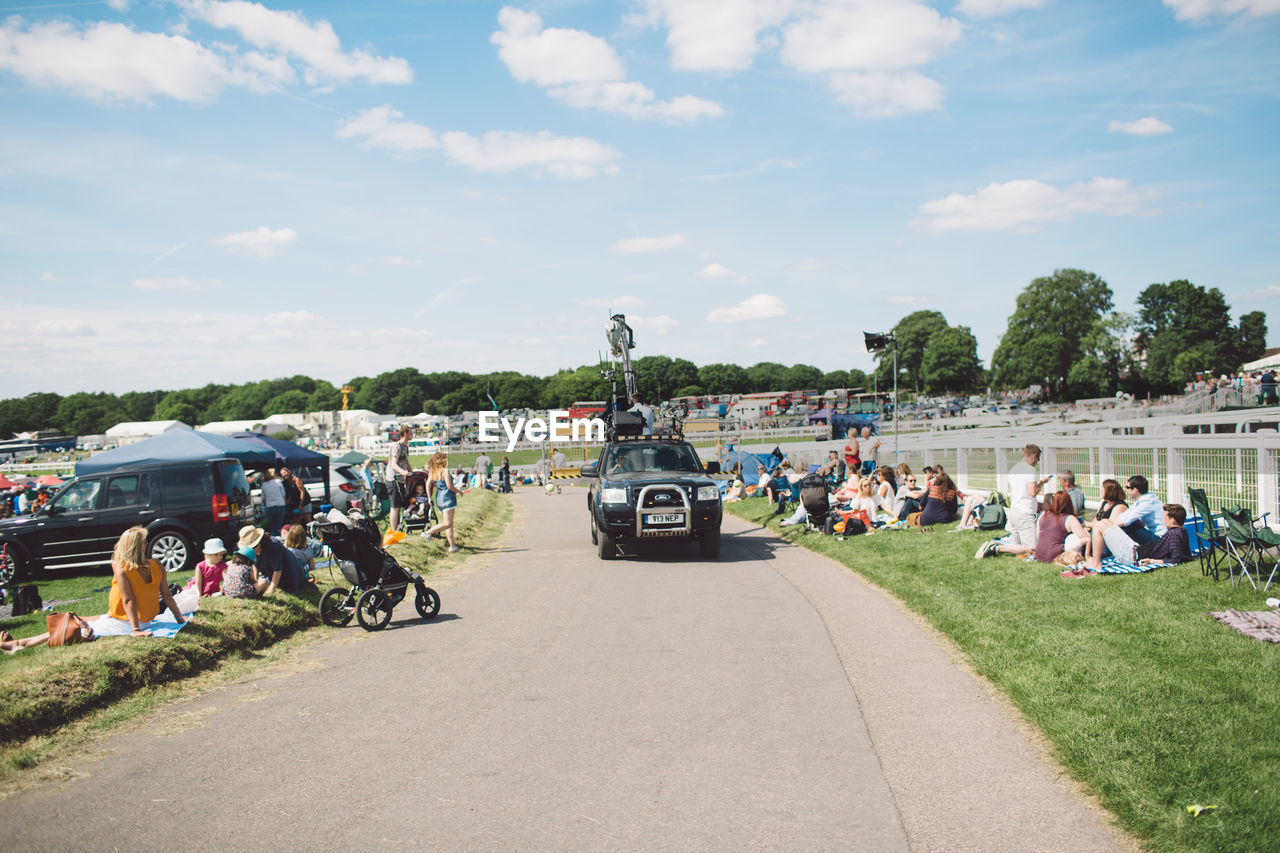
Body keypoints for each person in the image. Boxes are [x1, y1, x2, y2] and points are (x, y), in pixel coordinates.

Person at [93, 527, 186, 637]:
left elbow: (128, 601)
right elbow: (167, 596)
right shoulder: (157, 564)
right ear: (141, 546)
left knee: (88, 624)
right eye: (145, 542)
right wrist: (179, 618)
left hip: (124, 623)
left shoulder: (122, 568)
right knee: (97, 619)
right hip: (147, 621)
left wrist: (136, 630)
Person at [982, 444, 1049, 557]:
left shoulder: (1014, 469)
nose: (1037, 462)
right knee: (1031, 549)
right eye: (1038, 459)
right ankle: (997, 548)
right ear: (1034, 456)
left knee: (1017, 545)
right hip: (1025, 512)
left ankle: (999, 548)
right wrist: (1042, 482)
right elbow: (1032, 492)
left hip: (1014, 510)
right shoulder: (1030, 470)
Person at [1083, 504, 1190, 570]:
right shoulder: (1179, 532)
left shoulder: (1175, 535)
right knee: (1105, 522)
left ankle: (1096, 564)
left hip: (1130, 556)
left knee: (1098, 526)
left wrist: (1152, 561)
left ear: (1173, 520)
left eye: (1165, 517)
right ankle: (1095, 561)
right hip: (1135, 549)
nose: (1163, 520)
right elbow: (1182, 555)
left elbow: (1175, 559)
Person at [237, 525, 303, 594]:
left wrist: (271, 590)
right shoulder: (254, 551)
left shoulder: (273, 546)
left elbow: (277, 569)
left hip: (291, 575)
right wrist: (255, 581)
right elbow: (255, 564)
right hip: (271, 576)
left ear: (259, 543)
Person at [423, 451, 462, 553]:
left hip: (439, 497)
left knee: (448, 523)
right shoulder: (445, 471)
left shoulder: (433, 471)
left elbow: (427, 485)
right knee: (448, 523)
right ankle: (428, 533)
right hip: (448, 497)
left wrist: (429, 497)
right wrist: (458, 491)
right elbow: (449, 486)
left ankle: (452, 545)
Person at [1034, 491, 1089, 563]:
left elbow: (1039, 536)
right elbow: (1085, 538)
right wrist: (1085, 529)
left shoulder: (1044, 514)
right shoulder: (1069, 518)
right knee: (1074, 538)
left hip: (1039, 554)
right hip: (1056, 556)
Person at [386, 427, 413, 533]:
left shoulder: (406, 447)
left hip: (401, 480)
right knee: (395, 506)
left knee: (401, 505)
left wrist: (412, 471)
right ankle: (393, 531)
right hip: (393, 479)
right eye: (411, 433)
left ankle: (398, 528)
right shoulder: (397, 447)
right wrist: (403, 472)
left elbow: (406, 462)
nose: (412, 435)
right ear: (405, 434)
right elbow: (393, 464)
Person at [260, 469, 287, 535]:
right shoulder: (278, 482)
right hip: (280, 505)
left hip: (270, 507)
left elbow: (263, 498)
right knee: (279, 526)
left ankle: (273, 539)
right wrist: (285, 503)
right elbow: (283, 494)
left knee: (272, 527)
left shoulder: (264, 485)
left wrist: (267, 505)